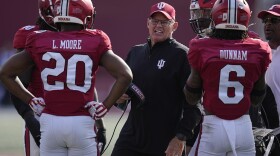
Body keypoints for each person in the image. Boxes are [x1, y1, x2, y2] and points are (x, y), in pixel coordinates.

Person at [0, 0, 132, 155]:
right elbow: (125, 74)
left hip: (48, 120)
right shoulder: (94, 40)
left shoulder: (38, 39)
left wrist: (31, 100)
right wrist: (105, 107)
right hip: (79, 120)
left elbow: (6, 72)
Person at [111, 2, 201, 156]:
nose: (158, 25)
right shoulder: (135, 53)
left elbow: (195, 105)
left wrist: (181, 137)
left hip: (165, 141)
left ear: (175, 26)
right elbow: (124, 94)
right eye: (155, 21)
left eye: (164, 22)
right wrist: (119, 99)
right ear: (147, 23)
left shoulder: (182, 56)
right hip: (131, 137)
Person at [184, 0, 271, 155]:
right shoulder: (260, 49)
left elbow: (192, 97)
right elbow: (257, 99)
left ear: (216, 16)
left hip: (213, 127)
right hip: (243, 127)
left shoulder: (201, 47)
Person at [258, 4, 280, 155]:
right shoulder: (259, 52)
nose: (268, 24)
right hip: (266, 132)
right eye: (265, 21)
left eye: (273, 20)